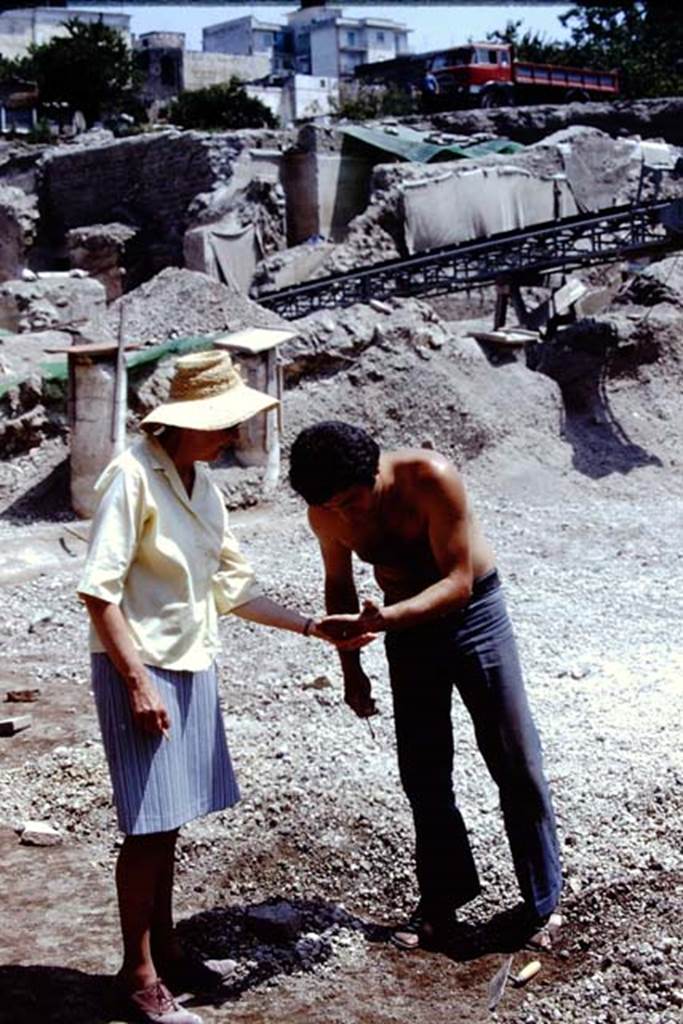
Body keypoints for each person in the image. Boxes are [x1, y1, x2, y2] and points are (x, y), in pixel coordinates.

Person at [78, 354, 370, 1024]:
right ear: (186, 421)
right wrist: (137, 684)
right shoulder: (131, 477)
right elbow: (99, 593)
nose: (232, 435)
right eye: (223, 423)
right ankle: (139, 973)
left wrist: (312, 628)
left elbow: (232, 588)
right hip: (141, 668)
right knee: (147, 825)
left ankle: (169, 946)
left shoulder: (201, 485)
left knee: (170, 820)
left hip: (190, 660)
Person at [289, 421, 562, 951]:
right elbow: (339, 584)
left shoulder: (431, 478)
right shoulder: (325, 511)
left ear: (375, 473)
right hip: (400, 626)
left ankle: (542, 903)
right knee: (423, 771)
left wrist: (385, 620)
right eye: (332, 507)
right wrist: (352, 669)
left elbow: (459, 583)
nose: (344, 515)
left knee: (515, 760)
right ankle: (442, 901)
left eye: (351, 500)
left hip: (474, 613)